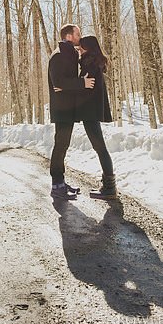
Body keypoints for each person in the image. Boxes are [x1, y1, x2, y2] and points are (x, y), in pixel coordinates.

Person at [47, 24, 116, 200]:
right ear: (70, 36)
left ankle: (62, 183)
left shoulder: (74, 55)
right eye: (78, 34)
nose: (80, 37)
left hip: (72, 110)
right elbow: (58, 82)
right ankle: (57, 184)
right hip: (62, 109)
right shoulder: (59, 55)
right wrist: (80, 84)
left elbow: (76, 82)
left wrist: (75, 85)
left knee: (65, 145)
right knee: (61, 145)